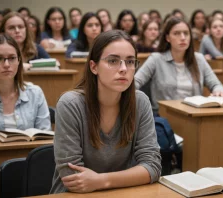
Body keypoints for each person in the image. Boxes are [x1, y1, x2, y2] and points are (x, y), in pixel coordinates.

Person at [49, 30, 161, 193]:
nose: (123, 69)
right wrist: (129, 176)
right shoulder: (70, 104)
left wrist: (101, 180)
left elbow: (153, 167)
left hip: (121, 193)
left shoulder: (140, 101)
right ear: (94, 67)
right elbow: (72, 177)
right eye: (113, 61)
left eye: (130, 62)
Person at [135, 17, 223, 115]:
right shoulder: (156, 59)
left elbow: (216, 84)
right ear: (167, 38)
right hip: (164, 116)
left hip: (193, 115)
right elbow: (135, 82)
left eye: (186, 33)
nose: (183, 37)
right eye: (177, 33)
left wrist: (219, 91)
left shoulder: (199, 59)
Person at [0, 34, 51, 135]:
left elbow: (45, 137)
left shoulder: (35, 93)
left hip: (29, 150)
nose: (6, 65)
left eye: (12, 58)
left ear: (19, 60)